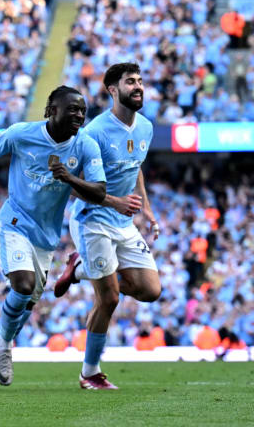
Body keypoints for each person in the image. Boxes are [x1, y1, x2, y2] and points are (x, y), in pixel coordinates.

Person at [0, 86, 107, 391]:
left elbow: (99, 192)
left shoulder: (85, 146)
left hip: (46, 238)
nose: (79, 115)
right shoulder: (22, 134)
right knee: (23, 285)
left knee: (23, 309)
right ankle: (4, 346)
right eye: (72, 109)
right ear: (50, 111)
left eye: (82, 110)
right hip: (14, 223)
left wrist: (68, 177)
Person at [53, 62, 162, 390]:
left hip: (124, 222)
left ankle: (79, 268)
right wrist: (114, 202)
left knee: (150, 290)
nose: (138, 86)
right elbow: (69, 181)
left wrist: (149, 211)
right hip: (93, 221)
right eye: (131, 82)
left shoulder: (145, 127)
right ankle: (90, 373)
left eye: (141, 81)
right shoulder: (94, 132)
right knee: (110, 298)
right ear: (113, 90)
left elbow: (135, 167)